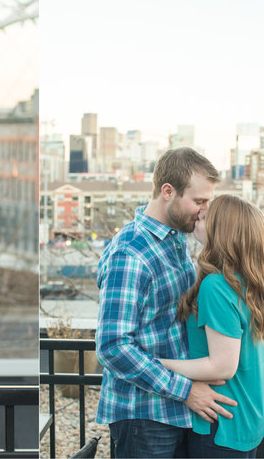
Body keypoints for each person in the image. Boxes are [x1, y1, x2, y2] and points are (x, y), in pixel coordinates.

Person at [94, 147, 237, 458]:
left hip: (176, 409)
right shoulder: (130, 254)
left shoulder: (175, 239)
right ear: (168, 192)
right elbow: (112, 346)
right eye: (199, 201)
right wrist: (185, 390)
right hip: (144, 415)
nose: (203, 211)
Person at [158, 195, 264, 457]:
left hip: (222, 423)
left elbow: (222, 367)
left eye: (205, 218)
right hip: (249, 415)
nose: (198, 217)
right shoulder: (250, 283)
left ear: (222, 232)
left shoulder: (217, 286)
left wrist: (159, 364)